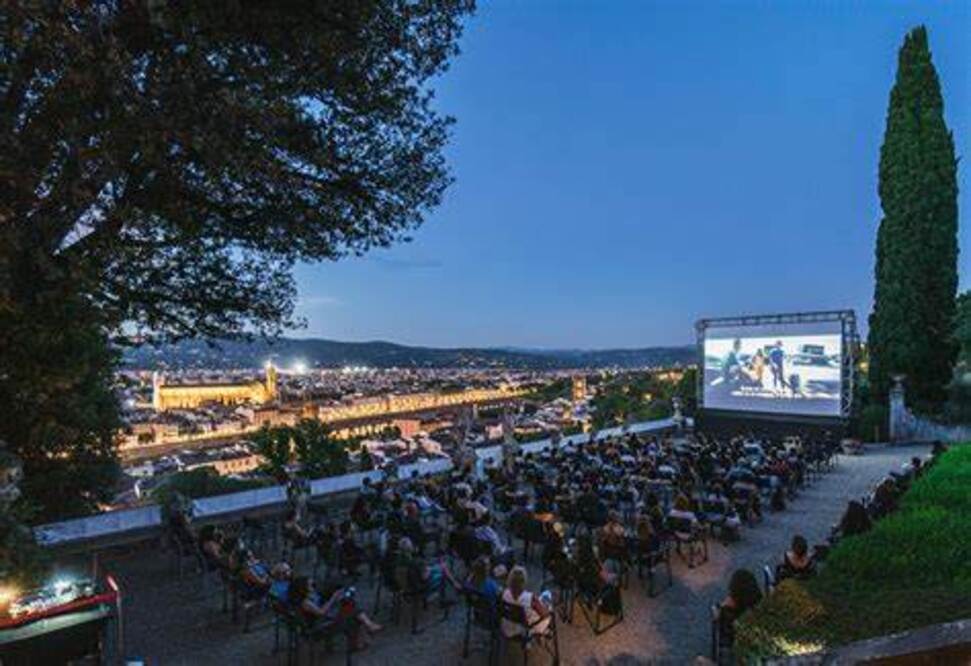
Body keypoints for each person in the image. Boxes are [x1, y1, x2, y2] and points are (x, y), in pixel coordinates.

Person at [287, 576, 382, 649]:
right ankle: (366, 630)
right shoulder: (305, 602)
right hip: (320, 624)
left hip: (322, 618)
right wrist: (333, 598)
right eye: (311, 585)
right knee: (351, 611)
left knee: (349, 606)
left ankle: (363, 635)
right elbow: (321, 612)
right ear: (304, 588)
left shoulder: (309, 596)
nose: (313, 587)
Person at [500, 566, 551, 638]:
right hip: (525, 629)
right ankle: (545, 631)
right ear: (524, 581)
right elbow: (545, 614)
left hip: (507, 626)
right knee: (547, 595)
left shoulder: (504, 593)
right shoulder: (530, 598)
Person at [716, 569, 762, 646]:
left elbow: (724, 627)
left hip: (737, 638)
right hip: (755, 635)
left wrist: (722, 609)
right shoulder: (757, 601)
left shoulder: (729, 611)